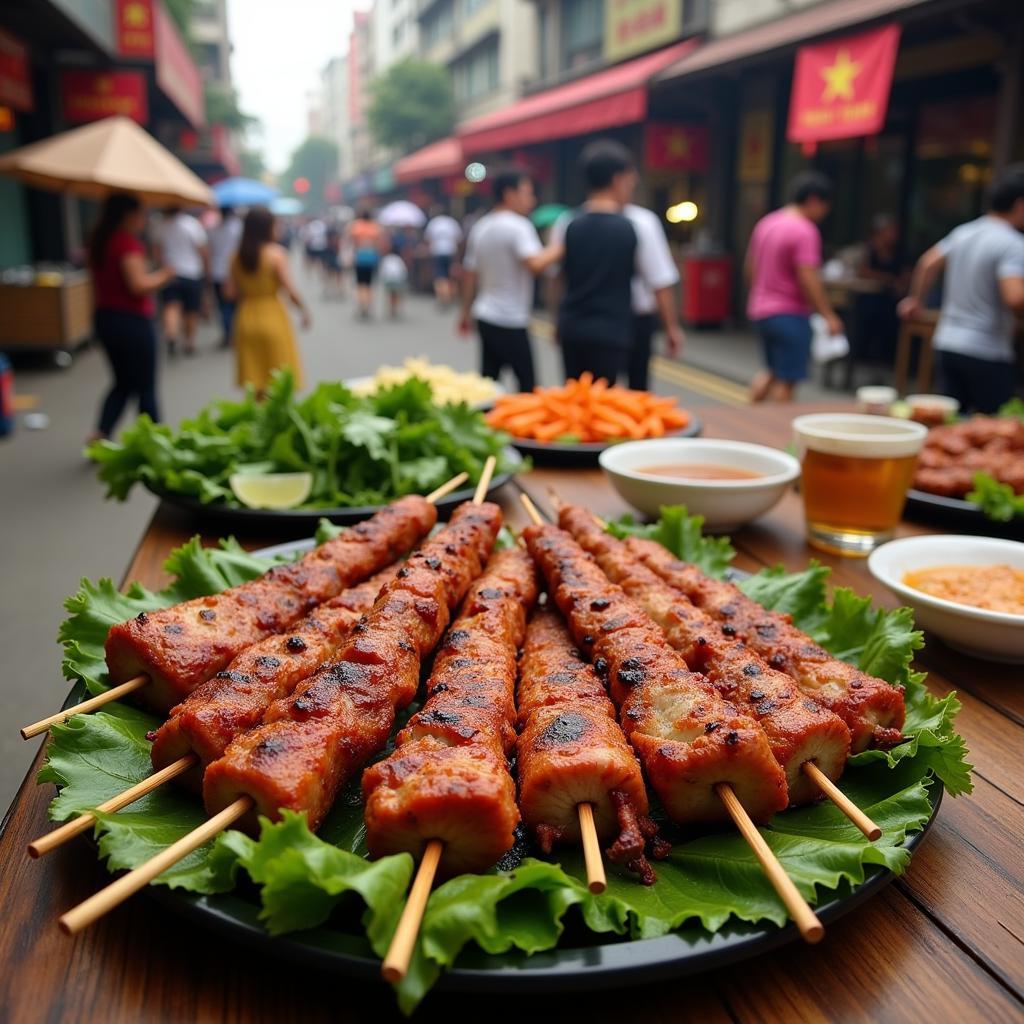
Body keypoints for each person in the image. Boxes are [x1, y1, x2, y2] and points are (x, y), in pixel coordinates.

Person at [899, 165, 1024, 413]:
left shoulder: (964, 232)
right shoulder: (1013, 244)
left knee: (952, 423)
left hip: (947, 343)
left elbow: (927, 263)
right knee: (996, 433)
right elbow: (1015, 298)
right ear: (1020, 204)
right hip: (987, 350)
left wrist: (915, 300)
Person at [557, 140, 682, 384]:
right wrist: (671, 328)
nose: (633, 184)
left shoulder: (568, 222)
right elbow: (660, 282)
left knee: (578, 400)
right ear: (618, 179)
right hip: (626, 325)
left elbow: (558, 279)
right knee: (632, 401)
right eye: (631, 178)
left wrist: (558, 321)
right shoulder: (641, 223)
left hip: (575, 324)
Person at [745, 171, 844, 402]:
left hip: (761, 309)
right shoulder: (804, 230)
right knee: (788, 380)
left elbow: (750, 267)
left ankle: (747, 418)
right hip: (789, 313)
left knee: (770, 370)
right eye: (824, 206)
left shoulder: (767, 223)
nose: (824, 213)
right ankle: (778, 433)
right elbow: (808, 277)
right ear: (813, 200)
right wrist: (828, 315)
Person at [459, 170, 561, 391]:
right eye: (527, 193)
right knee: (528, 388)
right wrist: (561, 245)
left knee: (488, 384)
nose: (532, 200)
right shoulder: (518, 226)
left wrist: (465, 313)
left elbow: (470, 274)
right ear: (509, 194)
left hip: (485, 314)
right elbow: (535, 264)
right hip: (510, 318)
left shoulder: (481, 226)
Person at [87, 193, 173, 439]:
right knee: (145, 386)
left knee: (123, 382)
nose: (144, 220)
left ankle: (101, 434)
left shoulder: (100, 241)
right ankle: (156, 441)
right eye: (142, 214)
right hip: (132, 322)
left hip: (106, 319)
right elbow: (138, 285)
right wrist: (164, 276)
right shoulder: (126, 243)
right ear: (129, 215)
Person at [230, 207, 310, 397]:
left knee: (256, 379)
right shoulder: (275, 255)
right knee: (279, 378)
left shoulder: (236, 257)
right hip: (272, 315)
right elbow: (289, 289)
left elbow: (229, 293)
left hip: (246, 317)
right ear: (267, 228)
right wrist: (303, 310)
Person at [154, 205, 208, 356]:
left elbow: (157, 252)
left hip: (169, 272)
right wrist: (206, 269)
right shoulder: (192, 224)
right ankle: (189, 342)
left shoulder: (159, 226)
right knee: (191, 310)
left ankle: (171, 334)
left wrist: (162, 268)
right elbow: (202, 250)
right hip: (192, 273)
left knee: (171, 306)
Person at [208, 206, 242, 348]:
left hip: (217, 272)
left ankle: (228, 334)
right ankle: (234, 335)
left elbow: (210, 250)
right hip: (234, 272)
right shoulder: (239, 227)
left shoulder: (214, 229)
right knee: (234, 306)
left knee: (223, 306)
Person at [347, 208, 385, 319]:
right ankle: (368, 305)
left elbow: (351, 241)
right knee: (369, 284)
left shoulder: (356, 227)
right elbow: (379, 244)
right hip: (372, 257)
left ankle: (362, 306)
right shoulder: (375, 227)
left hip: (359, 257)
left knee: (360, 284)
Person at [424, 205, 463, 308]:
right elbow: (459, 240)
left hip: (437, 252)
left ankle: (443, 297)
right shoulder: (452, 223)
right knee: (451, 276)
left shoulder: (434, 223)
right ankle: (450, 296)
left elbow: (428, 240)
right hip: (451, 251)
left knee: (440, 277)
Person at [379, 248, 409, 319]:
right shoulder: (399, 259)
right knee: (396, 294)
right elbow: (403, 270)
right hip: (397, 280)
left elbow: (382, 271)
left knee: (390, 294)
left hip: (388, 280)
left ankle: (391, 308)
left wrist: (382, 279)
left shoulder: (386, 259)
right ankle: (395, 308)